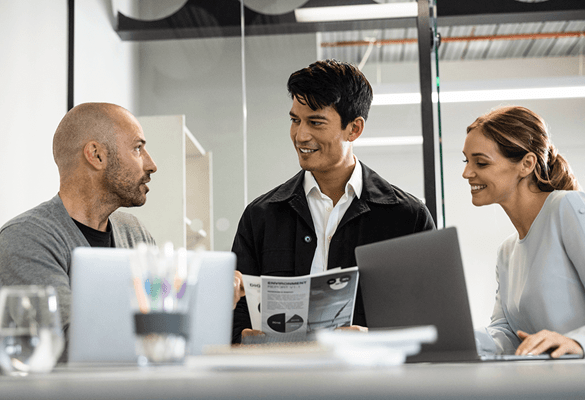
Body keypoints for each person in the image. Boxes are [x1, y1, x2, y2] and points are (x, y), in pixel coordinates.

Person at [231, 59, 435, 343]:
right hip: (281, 382)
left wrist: (373, 338)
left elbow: (431, 318)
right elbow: (234, 311)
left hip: (372, 383)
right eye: (295, 120)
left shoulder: (407, 216)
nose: (300, 135)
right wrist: (244, 337)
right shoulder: (261, 215)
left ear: (354, 129)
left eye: (315, 122)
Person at [0, 102, 158, 359]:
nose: (151, 165)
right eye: (138, 148)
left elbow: (162, 313)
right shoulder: (25, 238)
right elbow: (67, 345)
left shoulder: (135, 233)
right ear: (96, 155)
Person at [462, 105, 585, 358]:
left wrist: (577, 341)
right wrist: (447, 336)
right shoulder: (507, 252)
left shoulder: (565, 207)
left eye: (481, 162)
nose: (467, 173)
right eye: (467, 160)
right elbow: (506, 334)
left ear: (526, 164)